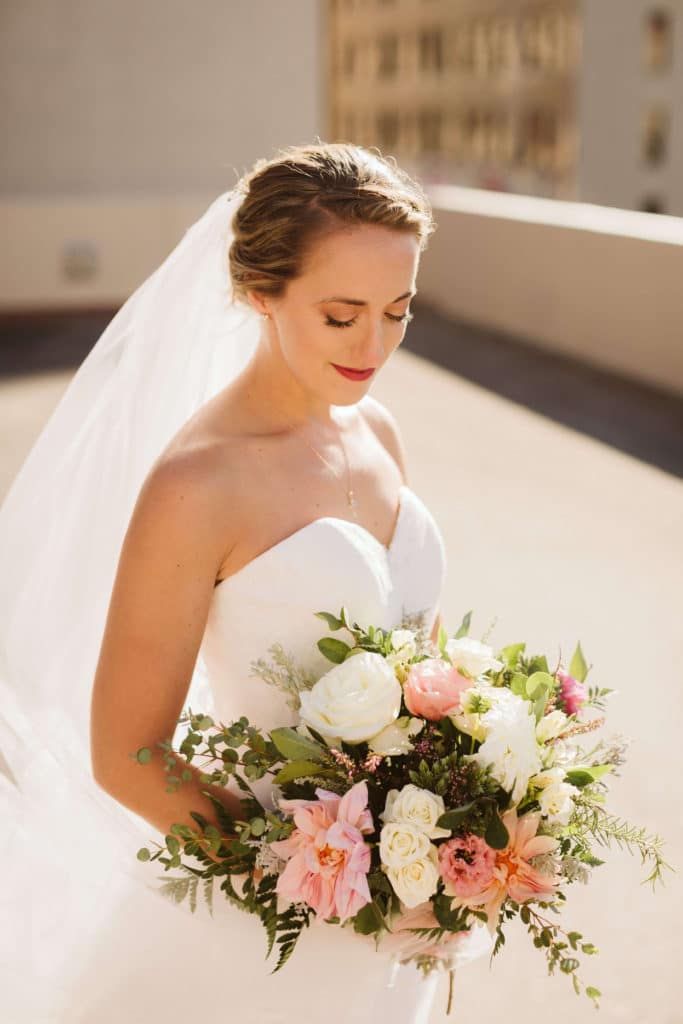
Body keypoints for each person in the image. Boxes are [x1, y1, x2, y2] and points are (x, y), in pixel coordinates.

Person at [0, 142, 493, 1022]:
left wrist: (468, 834)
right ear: (258, 292)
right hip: (275, 933)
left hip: (404, 913)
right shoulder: (198, 483)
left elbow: (424, 661)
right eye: (340, 315)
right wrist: (318, 881)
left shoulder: (376, 429)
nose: (372, 345)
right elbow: (127, 753)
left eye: (397, 310)